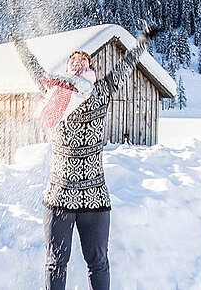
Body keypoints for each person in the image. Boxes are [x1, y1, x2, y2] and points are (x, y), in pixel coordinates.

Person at [11, 24, 159, 290]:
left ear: (91, 68)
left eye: (84, 59)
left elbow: (126, 65)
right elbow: (33, 69)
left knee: (98, 262)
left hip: (95, 197)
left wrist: (143, 40)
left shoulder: (99, 92)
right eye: (73, 60)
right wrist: (20, 44)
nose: (78, 61)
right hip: (59, 193)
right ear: (67, 68)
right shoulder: (54, 92)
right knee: (56, 262)